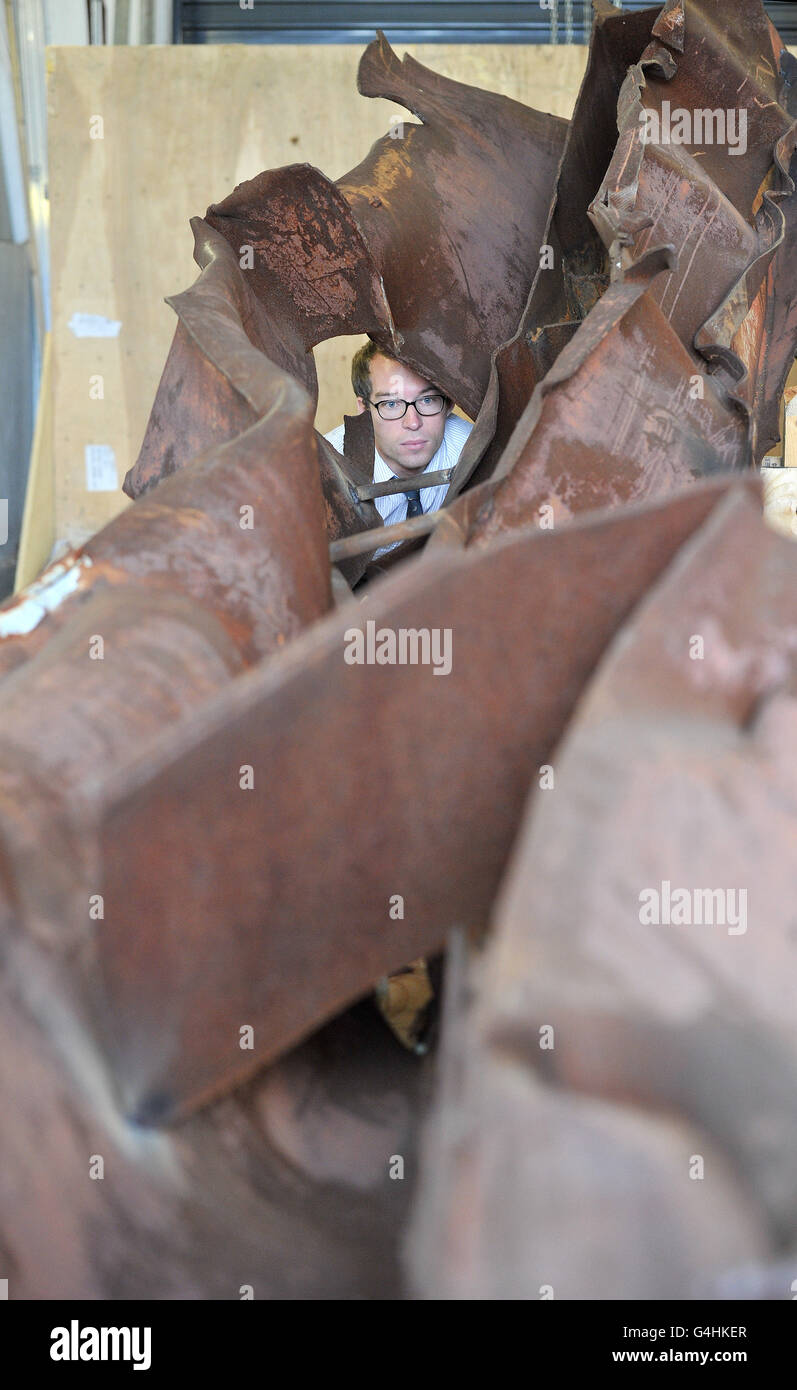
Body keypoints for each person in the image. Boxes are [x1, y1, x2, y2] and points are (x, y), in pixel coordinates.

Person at [324, 341, 473, 549]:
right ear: (364, 410)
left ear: (449, 404)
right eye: (391, 404)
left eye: (427, 400)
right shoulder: (325, 470)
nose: (413, 422)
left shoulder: (472, 448)